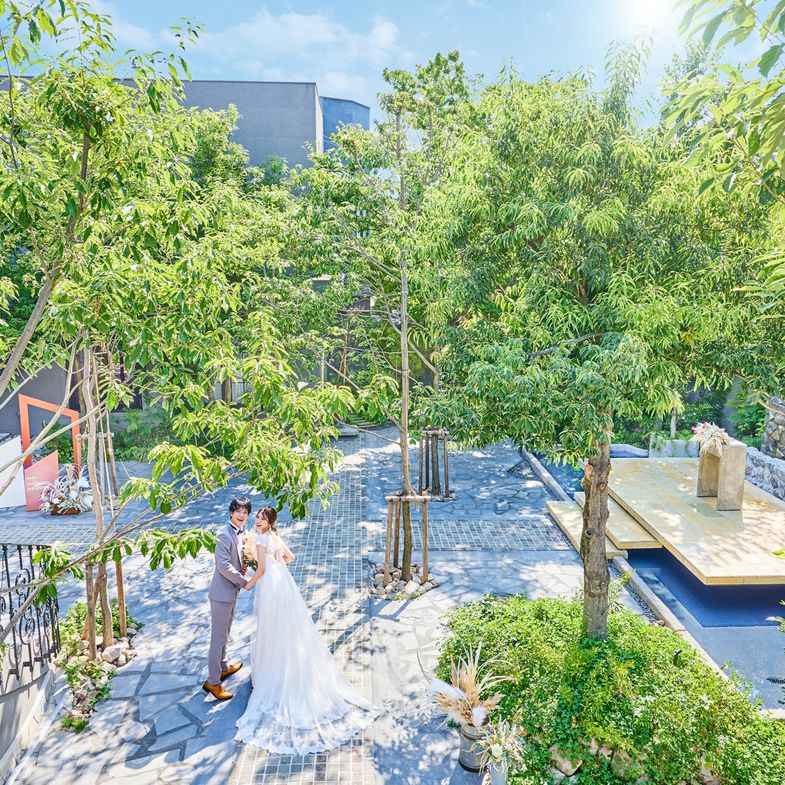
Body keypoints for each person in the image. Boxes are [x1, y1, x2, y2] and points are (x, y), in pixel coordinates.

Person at [235, 506, 377, 753]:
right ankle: (284, 661)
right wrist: (276, 563)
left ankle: (273, 669)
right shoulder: (274, 535)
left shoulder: (260, 539)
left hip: (270, 584)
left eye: (262, 519)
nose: (258, 521)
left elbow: (261, 570)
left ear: (269, 522)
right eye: (257, 517)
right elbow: (290, 557)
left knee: (271, 625)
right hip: (283, 582)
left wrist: (248, 584)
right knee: (286, 624)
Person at [203, 496, 254, 701]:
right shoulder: (224, 534)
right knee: (217, 638)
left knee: (225, 634)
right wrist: (243, 581)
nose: (241, 515)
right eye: (238, 511)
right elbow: (223, 565)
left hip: (230, 593)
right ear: (231, 513)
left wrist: (245, 565)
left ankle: (223, 666)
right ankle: (213, 682)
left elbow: (238, 558)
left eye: (245, 512)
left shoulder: (240, 533)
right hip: (221, 594)